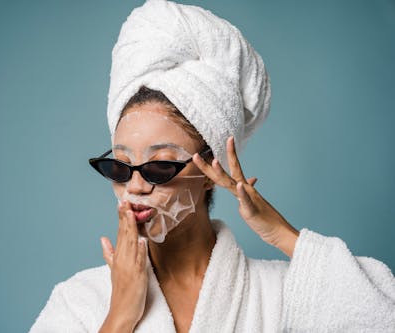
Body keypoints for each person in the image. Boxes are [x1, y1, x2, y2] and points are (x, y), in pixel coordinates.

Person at [29, 1, 395, 332]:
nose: (135, 187)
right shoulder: (80, 301)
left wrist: (281, 233)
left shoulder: (281, 296)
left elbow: (379, 316)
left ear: (208, 172)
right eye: (120, 167)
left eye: (159, 167)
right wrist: (120, 315)